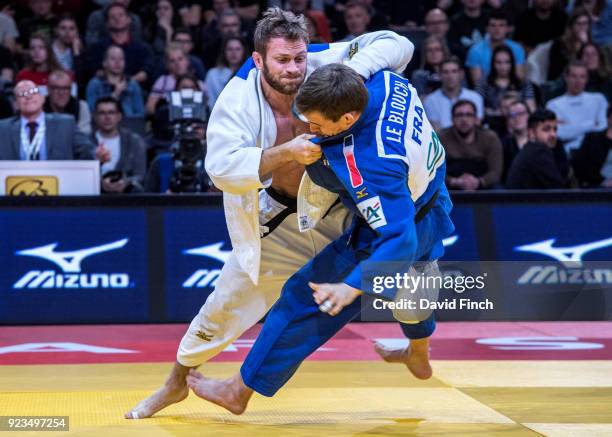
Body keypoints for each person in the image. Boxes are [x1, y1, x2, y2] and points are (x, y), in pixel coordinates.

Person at [125, 7, 418, 420]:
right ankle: (175, 383)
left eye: (299, 58)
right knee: (225, 305)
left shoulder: (322, 64)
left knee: (415, 267)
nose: (295, 69)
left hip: (343, 212)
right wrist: (286, 153)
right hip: (281, 222)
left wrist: (355, 71)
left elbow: (399, 44)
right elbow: (220, 169)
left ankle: (417, 346)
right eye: (282, 60)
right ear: (258, 59)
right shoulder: (237, 98)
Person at [184, 63, 454, 415]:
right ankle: (418, 355)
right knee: (411, 286)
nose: (309, 130)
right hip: (431, 194)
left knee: (301, 297)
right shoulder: (385, 81)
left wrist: (351, 286)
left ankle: (238, 391)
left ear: (346, 119)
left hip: (400, 219)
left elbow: (399, 240)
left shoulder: (371, 164)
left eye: (318, 125)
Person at [0, 80, 94, 160]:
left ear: (42, 98)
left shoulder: (66, 124)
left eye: (33, 91)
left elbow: (87, 150)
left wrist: (97, 154)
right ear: (16, 104)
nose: (28, 96)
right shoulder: (3, 129)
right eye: (22, 94)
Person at [85, 3, 154, 86]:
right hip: (105, 89)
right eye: (112, 17)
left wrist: (125, 84)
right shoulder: (97, 48)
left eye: (121, 15)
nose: (117, 19)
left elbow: (146, 73)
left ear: (129, 19)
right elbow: (94, 71)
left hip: (134, 89)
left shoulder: (143, 48)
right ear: (107, 23)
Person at [546, 61, 608, 153]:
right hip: (569, 152)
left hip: (597, 150)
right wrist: (591, 124)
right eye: (574, 76)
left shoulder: (598, 99)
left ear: (587, 79)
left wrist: (570, 127)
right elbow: (559, 134)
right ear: (566, 77)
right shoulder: (553, 105)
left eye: (582, 77)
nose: (578, 81)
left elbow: (604, 127)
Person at [439, 99, 502, 190]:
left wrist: (479, 182)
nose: (464, 119)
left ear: (476, 119)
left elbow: (495, 172)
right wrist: (453, 181)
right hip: (449, 187)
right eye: (459, 115)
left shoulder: (490, 138)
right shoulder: (441, 138)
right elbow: (433, 171)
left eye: (469, 115)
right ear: (452, 119)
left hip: (483, 185)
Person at [92, 96, 146, 193]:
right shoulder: (87, 142)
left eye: (111, 112)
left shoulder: (134, 141)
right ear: (95, 117)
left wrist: (125, 183)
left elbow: (140, 175)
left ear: (119, 116)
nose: (107, 117)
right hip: (94, 192)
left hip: (126, 194)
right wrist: (100, 183)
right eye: (102, 113)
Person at [506, 109, 569, 189]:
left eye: (555, 129)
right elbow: (558, 188)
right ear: (532, 133)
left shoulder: (531, 149)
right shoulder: (539, 151)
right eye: (546, 129)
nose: (553, 134)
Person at [476, 45, 535, 128]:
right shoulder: (483, 83)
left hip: (519, 124)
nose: (503, 67)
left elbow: (531, 109)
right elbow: (478, 109)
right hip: (492, 125)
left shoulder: (523, 83)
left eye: (507, 62)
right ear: (493, 63)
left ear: (512, 63)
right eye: (498, 62)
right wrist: (498, 112)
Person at [465, 10, 526, 85]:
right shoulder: (475, 50)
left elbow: (519, 78)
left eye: (501, 25)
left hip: (512, 90)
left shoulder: (517, 49)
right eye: (493, 25)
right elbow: (477, 83)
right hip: (485, 92)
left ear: (507, 29)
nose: (497, 29)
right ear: (487, 28)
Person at [423, 57, 484, 130]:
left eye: (454, 71)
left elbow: (476, 126)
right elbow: (435, 130)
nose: (450, 76)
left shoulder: (475, 98)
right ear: (439, 75)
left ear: (461, 74)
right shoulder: (430, 101)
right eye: (445, 72)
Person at [85, 45, 145, 118]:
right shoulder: (94, 84)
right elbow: (92, 113)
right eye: (113, 58)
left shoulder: (132, 85)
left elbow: (140, 114)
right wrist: (115, 94)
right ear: (104, 63)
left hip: (130, 125)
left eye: (121, 59)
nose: (117, 62)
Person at [145, 44, 205, 115]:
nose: (177, 63)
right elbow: (149, 108)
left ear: (187, 61)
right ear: (167, 65)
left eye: (180, 59)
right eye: (172, 61)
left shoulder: (199, 83)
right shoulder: (162, 81)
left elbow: (208, 107)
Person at [572, 105, 612, 188]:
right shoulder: (592, 139)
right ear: (608, 118)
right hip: (596, 187)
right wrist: (602, 181)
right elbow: (580, 167)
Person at [205, 36, 247, 112]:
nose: (234, 53)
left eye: (238, 49)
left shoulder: (252, 73)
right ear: (224, 52)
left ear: (244, 51)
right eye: (230, 49)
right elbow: (211, 102)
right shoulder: (212, 74)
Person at [547, 8, 591, 80]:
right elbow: (556, 72)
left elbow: (593, 69)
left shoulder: (590, 44)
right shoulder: (558, 44)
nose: (582, 28)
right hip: (562, 82)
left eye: (585, 23)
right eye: (579, 24)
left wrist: (586, 45)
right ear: (571, 26)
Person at [43, 70, 91, 135]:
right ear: (48, 89)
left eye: (65, 88)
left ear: (71, 89)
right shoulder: (39, 106)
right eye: (56, 88)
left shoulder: (81, 106)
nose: (61, 93)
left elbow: (84, 135)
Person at [501, 100, 530, 183]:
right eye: (512, 115)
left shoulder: (539, 141)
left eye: (521, 114)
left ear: (529, 115)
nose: (517, 118)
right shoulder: (504, 144)